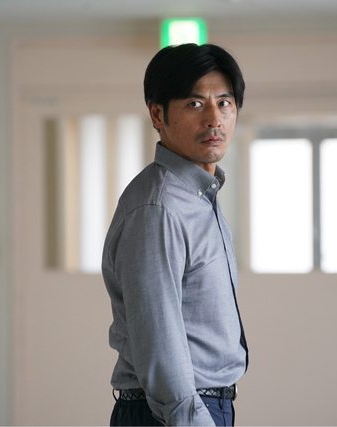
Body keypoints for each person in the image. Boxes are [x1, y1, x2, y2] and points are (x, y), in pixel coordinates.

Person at [102, 43, 248, 426]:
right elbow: (159, 343)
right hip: (172, 413)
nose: (214, 119)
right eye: (195, 104)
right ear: (157, 114)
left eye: (225, 103)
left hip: (199, 405)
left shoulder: (199, 196)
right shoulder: (159, 208)